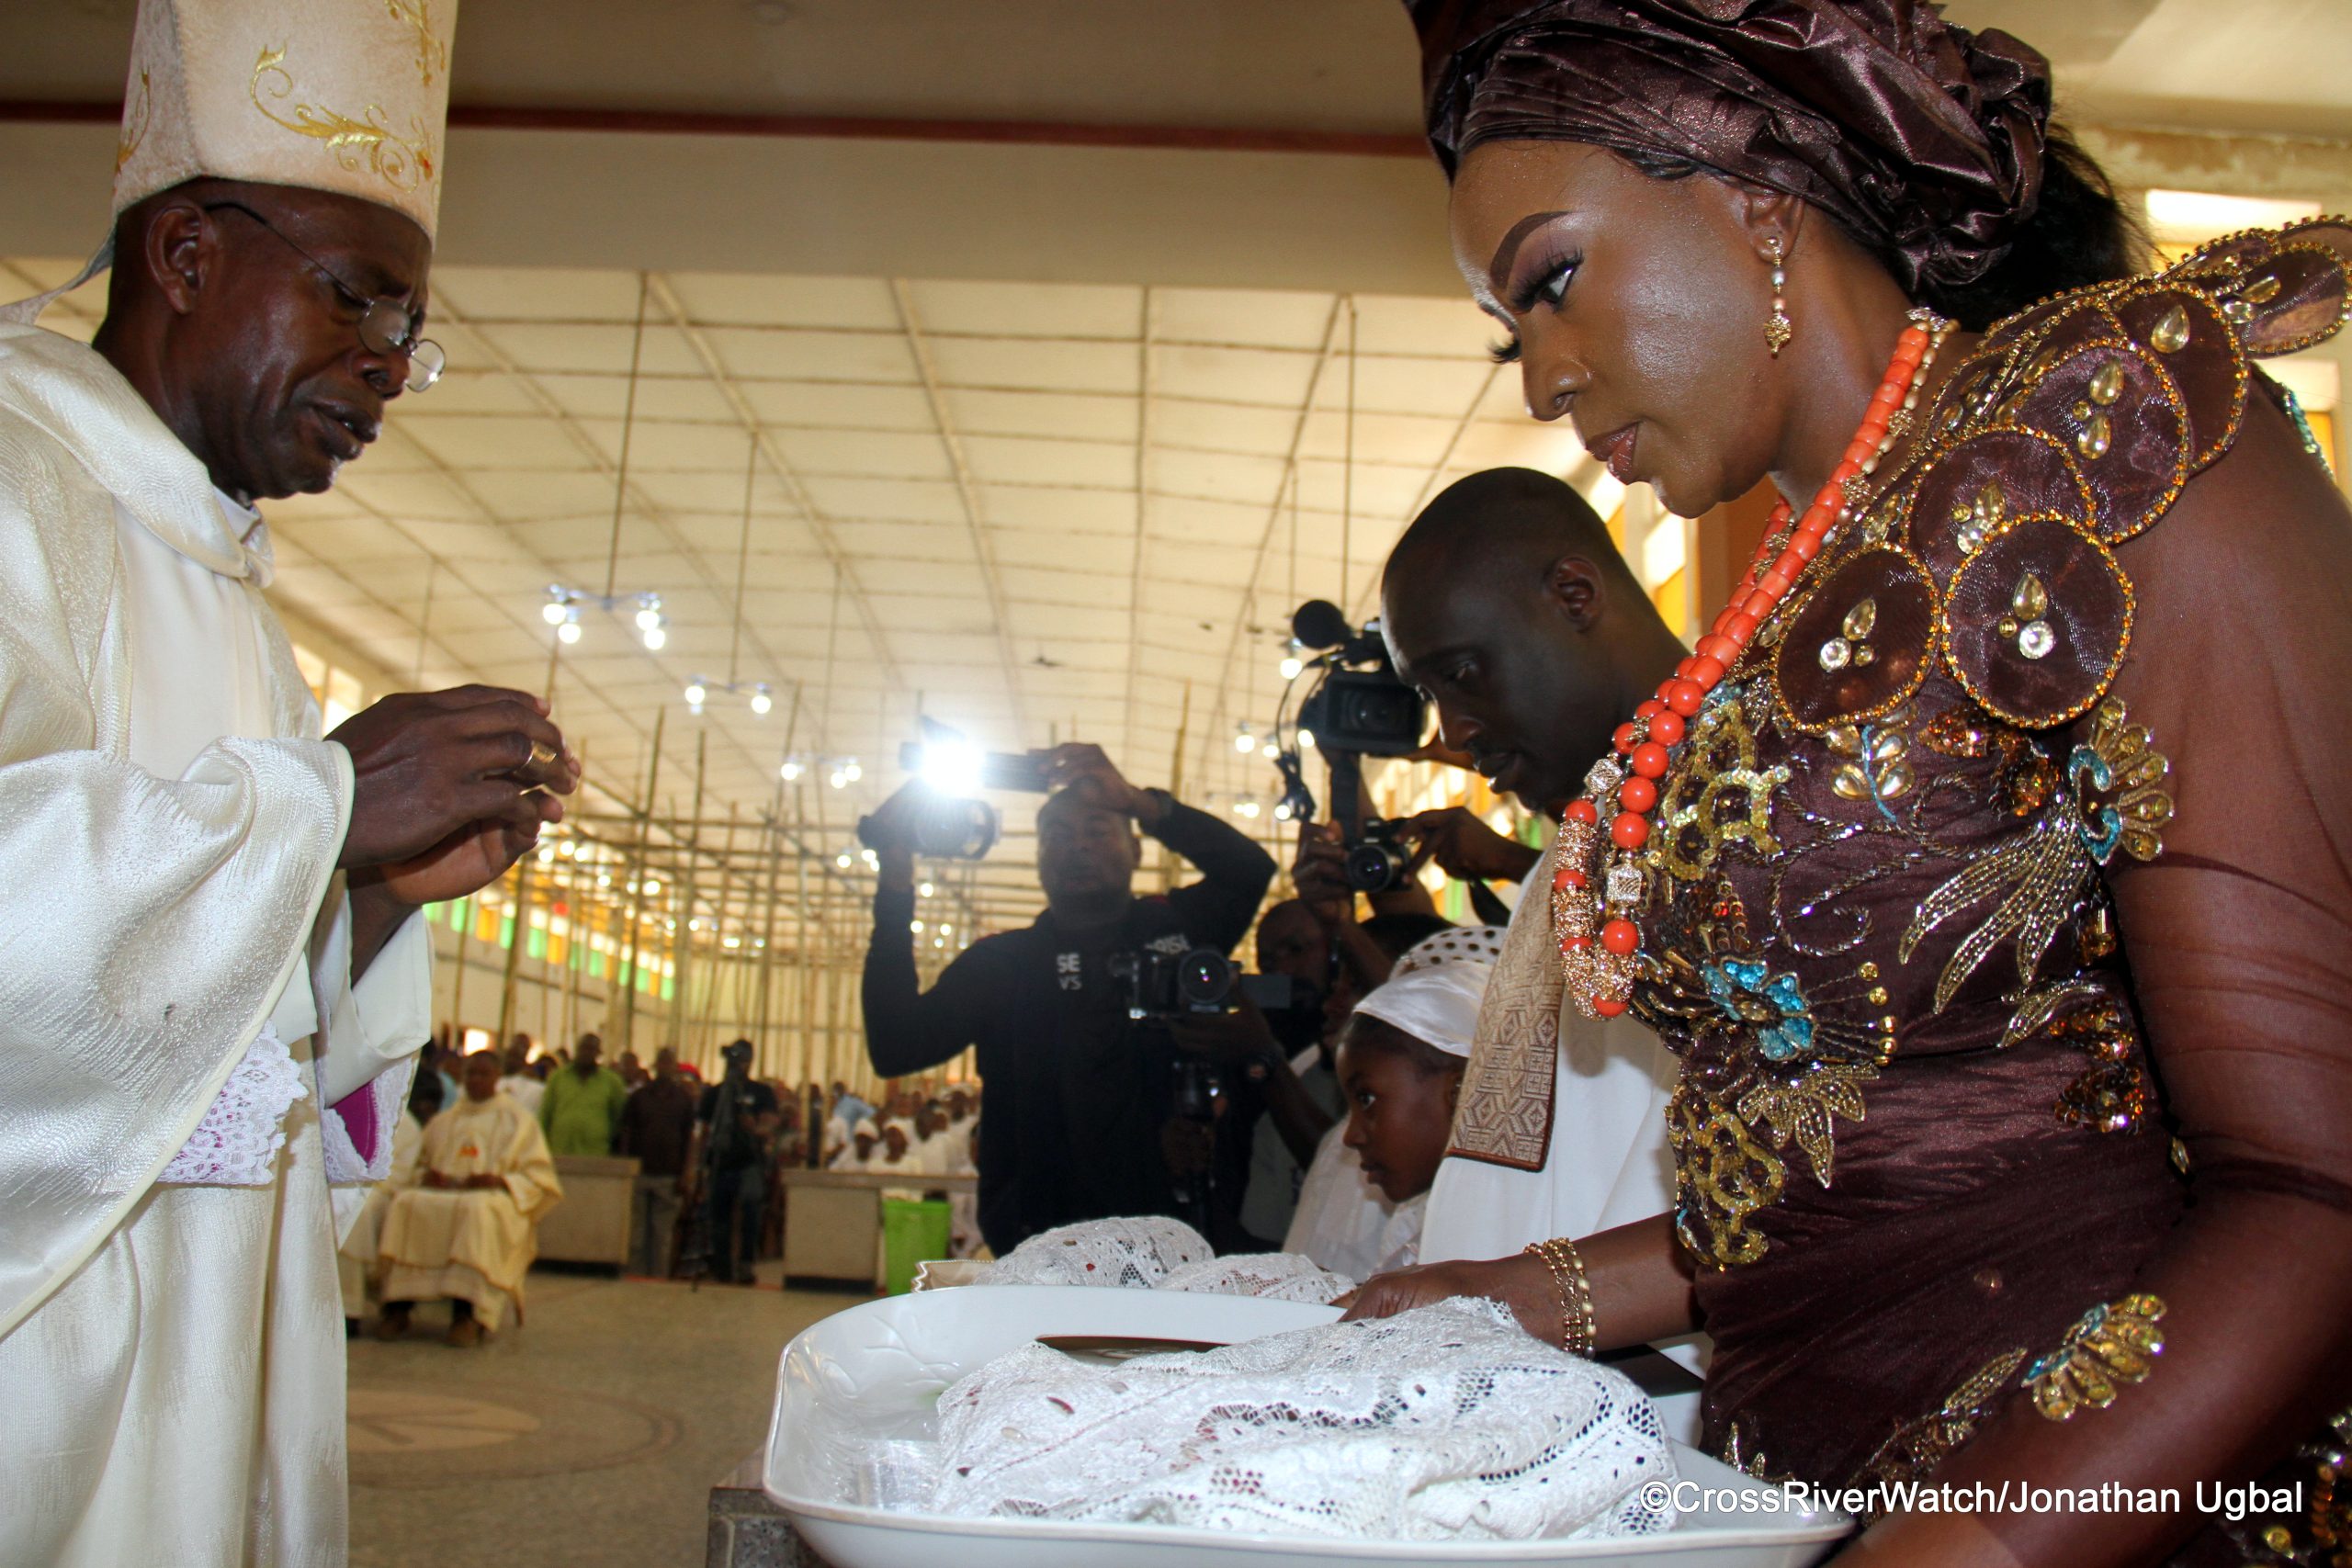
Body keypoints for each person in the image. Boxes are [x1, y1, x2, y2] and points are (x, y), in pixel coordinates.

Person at [1351, 5, 2352, 1563]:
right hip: (1776, 1504)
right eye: (1510, 330)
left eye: (1552, 279)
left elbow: (2315, 1191)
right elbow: (1853, 1171)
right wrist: (1514, 1292)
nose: (1544, 377)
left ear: (1756, 190)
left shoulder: (2103, 435)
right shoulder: (1772, 620)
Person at [0, 3, 587, 1560]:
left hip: (218, 1338)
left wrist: (373, 894)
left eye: (409, 333)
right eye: (359, 302)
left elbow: (241, 1028)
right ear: (188, 255)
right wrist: (323, 800)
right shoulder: (14, 486)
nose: (389, 370)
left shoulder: (227, 592)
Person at [1375, 468, 1690, 1270]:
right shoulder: (1582, 841)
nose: (1456, 729)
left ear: (1575, 595)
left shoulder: (1746, 815)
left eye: (1463, 673)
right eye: (1430, 693)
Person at [861, 742, 1277, 1253]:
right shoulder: (1002, 965)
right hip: (1040, 1247)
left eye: (1098, 831)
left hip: (1179, 1236)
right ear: (1037, 858)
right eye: (1055, 836)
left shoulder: (1175, 930)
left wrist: (1140, 802)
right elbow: (896, 1046)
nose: (1076, 846)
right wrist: (896, 881)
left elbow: (1249, 870)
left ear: (1137, 849)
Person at [1336, 927, 1496, 1275]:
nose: (1351, 1137)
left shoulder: (1508, 1238)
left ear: (1460, 1093)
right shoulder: (1415, 1225)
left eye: (1366, 1099)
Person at [377, 1050, 563, 1346]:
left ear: (497, 1078)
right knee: (407, 1203)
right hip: (445, 1194)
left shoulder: (518, 1121)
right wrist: (428, 1176)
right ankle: (398, 1308)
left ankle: (467, 1315)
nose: (476, 1080)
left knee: (476, 1211)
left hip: (492, 1197)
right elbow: (418, 1166)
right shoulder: (444, 1121)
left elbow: (539, 1179)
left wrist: (500, 1180)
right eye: (471, 1074)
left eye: (483, 1074)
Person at [340, 1070, 440, 1327]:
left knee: (357, 1213)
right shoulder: (345, 1109)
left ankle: (349, 1308)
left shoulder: (404, 1124)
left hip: (380, 1192)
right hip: (338, 1185)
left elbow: (399, 1175)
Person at [694, 1039, 778, 1284]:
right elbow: (704, 1129)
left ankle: (745, 1263)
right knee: (719, 1216)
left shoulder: (761, 1092)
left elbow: (769, 1125)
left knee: (751, 1213)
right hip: (721, 1162)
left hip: (749, 1161)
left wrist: (755, 1127)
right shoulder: (715, 1093)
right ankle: (722, 1265)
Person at [616, 1045, 698, 1277]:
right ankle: (635, 1277)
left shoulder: (683, 1100)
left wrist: (686, 1173)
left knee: (662, 1235)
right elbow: (627, 1133)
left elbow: (689, 1139)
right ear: (655, 1065)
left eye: (668, 1062)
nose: (664, 1066)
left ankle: (658, 1279)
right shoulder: (639, 1097)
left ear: (674, 1067)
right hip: (641, 1172)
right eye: (661, 1061)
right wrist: (626, 1168)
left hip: (669, 1176)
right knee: (637, 1235)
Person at [539, 1031, 628, 1156]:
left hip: (596, 1152)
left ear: (598, 1053)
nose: (586, 1053)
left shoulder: (612, 1082)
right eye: (583, 1048)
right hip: (559, 1150)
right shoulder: (558, 1077)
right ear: (577, 1050)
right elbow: (546, 1113)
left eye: (591, 1049)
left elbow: (618, 1118)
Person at [498, 1033, 544, 1114]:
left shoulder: (535, 1087)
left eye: (524, 1046)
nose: (511, 1060)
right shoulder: (496, 1080)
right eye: (510, 1055)